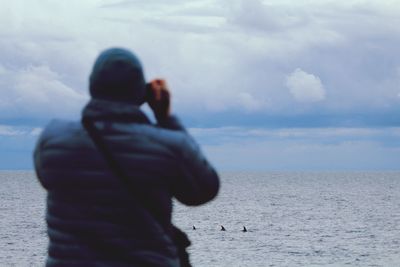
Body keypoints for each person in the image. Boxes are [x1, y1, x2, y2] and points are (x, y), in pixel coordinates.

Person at [34, 48, 220, 267]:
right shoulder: (168, 145)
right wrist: (165, 117)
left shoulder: (53, 139)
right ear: (142, 92)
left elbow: (46, 179)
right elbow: (203, 191)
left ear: (92, 86)